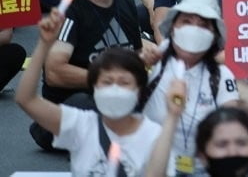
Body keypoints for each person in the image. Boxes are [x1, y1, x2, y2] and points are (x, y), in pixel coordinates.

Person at [30, 0, 158, 151]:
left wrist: (151, 57)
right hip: (74, 105)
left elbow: (135, 52)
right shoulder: (68, 11)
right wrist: (112, 79)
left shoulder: (125, 1)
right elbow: (54, 72)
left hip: (118, 100)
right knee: (87, 106)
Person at [18, 15, 162, 176]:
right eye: (107, 82)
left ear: (139, 88)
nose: (115, 89)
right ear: (94, 86)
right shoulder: (80, 123)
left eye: (124, 82)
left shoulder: (155, 135)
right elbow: (26, 99)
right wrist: (43, 45)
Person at [142, 0, 239, 176]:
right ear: (173, 27)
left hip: (204, 169)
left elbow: (231, 123)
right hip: (152, 165)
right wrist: (139, 65)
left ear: (213, 36)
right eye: (186, 22)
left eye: (203, 26)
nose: (194, 29)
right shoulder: (154, 61)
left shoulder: (221, 75)